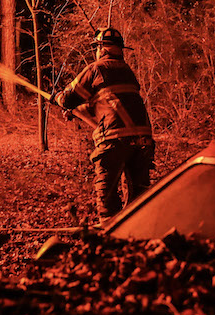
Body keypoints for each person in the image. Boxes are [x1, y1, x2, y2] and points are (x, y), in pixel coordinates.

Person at [53, 28, 155, 222]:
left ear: (101, 48)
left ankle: (109, 232)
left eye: (97, 48)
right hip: (143, 140)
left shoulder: (96, 69)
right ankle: (138, 232)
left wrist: (58, 97)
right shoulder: (127, 72)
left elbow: (68, 98)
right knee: (139, 198)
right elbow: (110, 103)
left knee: (107, 195)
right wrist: (77, 111)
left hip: (114, 141)